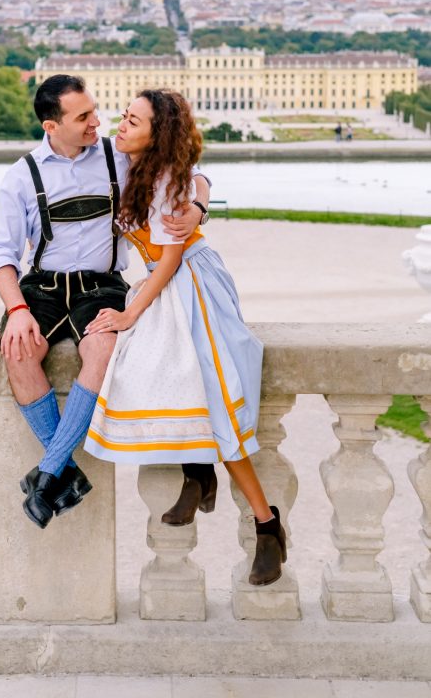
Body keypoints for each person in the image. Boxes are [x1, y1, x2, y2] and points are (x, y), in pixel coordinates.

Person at [0, 74, 211, 529]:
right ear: (52, 125)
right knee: (19, 353)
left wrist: (199, 205)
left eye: (94, 111)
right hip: (43, 287)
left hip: (102, 284)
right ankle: (62, 472)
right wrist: (16, 310)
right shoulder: (21, 176)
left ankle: (49, 472)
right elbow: (0, 255)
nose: (97, 122)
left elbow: (188, 169)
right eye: (84, 116)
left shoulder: (117, 155)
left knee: (104, 349)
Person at [83, 89, 287, 587]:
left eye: (134, 121)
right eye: (124, 116)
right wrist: (201, 200)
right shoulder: (126, 160)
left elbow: (172, 256)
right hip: (162, 280)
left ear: (157, 134)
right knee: (162, 375)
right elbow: (203, 176)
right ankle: (199, 473)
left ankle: (267, 525)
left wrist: (131, 313)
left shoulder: (167, 180)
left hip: (191, 284)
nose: (121, 125)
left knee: (217, 400)